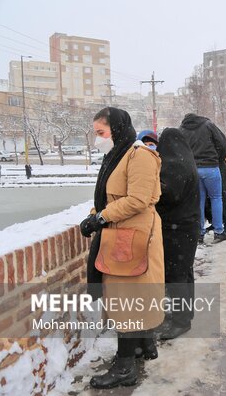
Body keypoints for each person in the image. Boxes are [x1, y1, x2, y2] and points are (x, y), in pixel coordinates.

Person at [79, 107, 164, 389]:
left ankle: (125, 365)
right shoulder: (117, 155)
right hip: (123, 233)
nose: (98, 139)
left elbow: (138, 199)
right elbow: (107, 196)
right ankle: (142, 346)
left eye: (101, 133)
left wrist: (100, 218)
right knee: (132, 295)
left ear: (116, 129)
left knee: (127, 298)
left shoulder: (139, 156)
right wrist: (96, 213)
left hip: (133, 235)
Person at [154, 128, 199, 340]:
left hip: (176, 229)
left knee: (175, 275)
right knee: (185, 272)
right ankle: (186, 313)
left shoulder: (173, 166)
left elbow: (168, 194)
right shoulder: (187, 161)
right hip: (187, 226)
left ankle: (180, 322)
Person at [179, 113, 226, 244]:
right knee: (216, 198)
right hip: (211, 167)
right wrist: (217, 159)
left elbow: (180, 149)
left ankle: (200, 233)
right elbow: (223, 144)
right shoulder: (208, 125)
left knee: (199, 201)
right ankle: (219, 231)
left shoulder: (182, 129)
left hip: (194, 169)